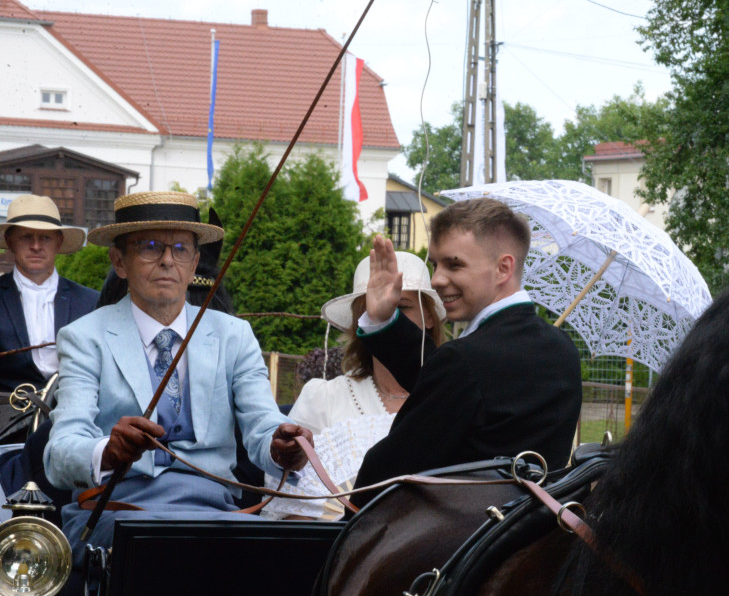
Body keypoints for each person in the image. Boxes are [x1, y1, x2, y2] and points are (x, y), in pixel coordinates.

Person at [43, 190, 310, 565]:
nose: (168, 261)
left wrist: (281, 447)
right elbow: (59, 454)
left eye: (181, 249)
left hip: (214, 514)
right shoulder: (83, 337)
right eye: (151, 247)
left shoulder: (234, 335)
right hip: (115, 512)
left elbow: (263, 426)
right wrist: (107, 450)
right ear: (119, 261)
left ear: (195, 261)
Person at [350, 198, 582, 507]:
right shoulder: (563, 349)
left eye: (453, 264)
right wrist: (383, 320)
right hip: (537, 533)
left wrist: (346, 522)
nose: (436, 279)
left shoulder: (466, 360)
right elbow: (446, 383)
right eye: (434, 264)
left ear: (503, 268)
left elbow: (389, 470)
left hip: (455, 545)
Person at [262, 251, 446, 520]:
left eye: (402, 306)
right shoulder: (322, 399)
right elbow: (290, 508)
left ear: (429, 317)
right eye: (376, 308)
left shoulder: (450, 399)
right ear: (361, 319)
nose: (388, 316)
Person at [0, 194, 98, 394]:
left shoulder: (90, 302)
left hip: (73, 416)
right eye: (26, 237)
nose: (36, 246)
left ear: (59, 242)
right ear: (9, 242)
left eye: (45, 237)